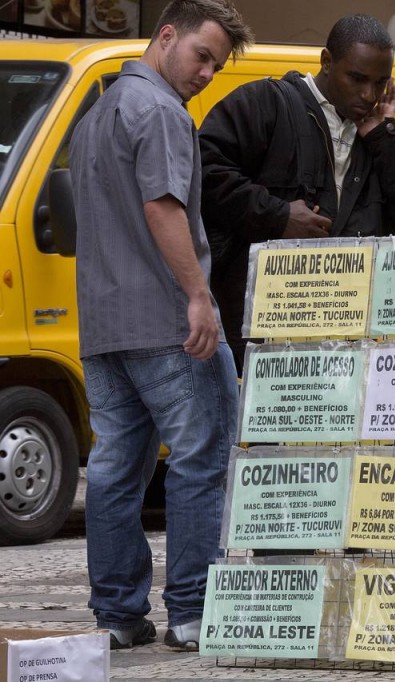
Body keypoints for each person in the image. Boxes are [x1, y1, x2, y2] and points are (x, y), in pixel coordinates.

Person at [69, 0, 252, 651]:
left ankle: (117, 615)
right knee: (202, 459)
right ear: (166, 34)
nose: (207, 73)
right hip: (168, 323)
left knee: (116, 466)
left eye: (217, 65)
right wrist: (199, 297)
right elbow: (162, 206)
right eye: (202, 56)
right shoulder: (163, 112)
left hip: (103, 326)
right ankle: (193, 610)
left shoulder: (94, 116)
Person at [199, 14, 395, 374]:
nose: (369, 94)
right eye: (357, 78)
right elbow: (204, 173)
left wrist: (383, 133)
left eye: (380, 82)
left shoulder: (376, 137)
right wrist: (277, 215)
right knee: (260, 431)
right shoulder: (266, 102)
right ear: (327, 61)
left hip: (345, 334)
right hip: (259, 331)